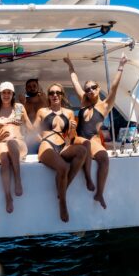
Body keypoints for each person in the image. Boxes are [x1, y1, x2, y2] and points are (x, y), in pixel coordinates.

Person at [64, 53, 127, 209]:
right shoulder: (84, 101)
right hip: (77, 138)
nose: (90, 90)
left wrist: (121, 66)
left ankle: (100, 194)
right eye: (87, 89)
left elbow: (114, 87)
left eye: (93, 87)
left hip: (93, 139)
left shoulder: (105, 105)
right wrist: (70, 65)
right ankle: (87, 177)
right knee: (85, 144)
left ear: (98, 88)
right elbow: (75, 82)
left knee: (104, 157)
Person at [33, 83, 86, 222]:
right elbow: (33, 131)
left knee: (82, 151)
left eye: (58, 92)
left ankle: (64, 186)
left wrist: (73, 129)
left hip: (63, 145)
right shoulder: (42, 111)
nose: (55, 95)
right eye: (51, 93)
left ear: (62, 95)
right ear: (48, 96)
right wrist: (42, 140)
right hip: (47, 145)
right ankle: (63, 203)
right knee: (63, 167)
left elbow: (71, 136)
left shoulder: (69, 113)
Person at [0, 81, 33, 214]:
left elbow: (29, 126)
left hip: (18, 141)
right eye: (4, 92)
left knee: (12, 143)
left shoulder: (19, 107)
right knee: (4, 157)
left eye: (9, 92)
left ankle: (17, 178)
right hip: (1, 142)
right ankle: (8, 196)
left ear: (13, 94)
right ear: (0, 94)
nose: (6, 95)